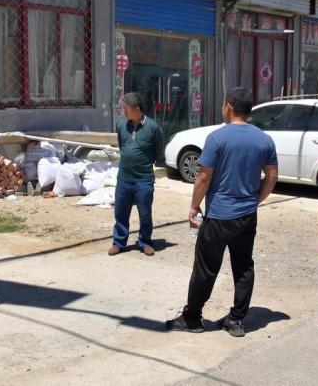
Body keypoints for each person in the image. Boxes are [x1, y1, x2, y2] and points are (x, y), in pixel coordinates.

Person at [166, 87, 278, 337]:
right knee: (243, 266)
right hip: (247, 215)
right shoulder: (264, 139)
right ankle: (236, 319)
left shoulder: (217, 138)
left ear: (228, 106)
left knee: (205, 268)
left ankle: (192, 318)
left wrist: (194, 206)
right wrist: (256, 200)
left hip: (219, 215)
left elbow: (204, 177)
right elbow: (271, 177)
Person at [110, 92, 164, 256]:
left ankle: (145, 242)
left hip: (144, 180)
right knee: (120, 212)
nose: (123, 112)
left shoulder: (153, 128)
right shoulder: (121, 125)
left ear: (137, 109)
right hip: (124, 179)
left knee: (145, 213)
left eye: (126, 109)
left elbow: (158, 152)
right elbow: (122, 146)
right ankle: (119, 243)